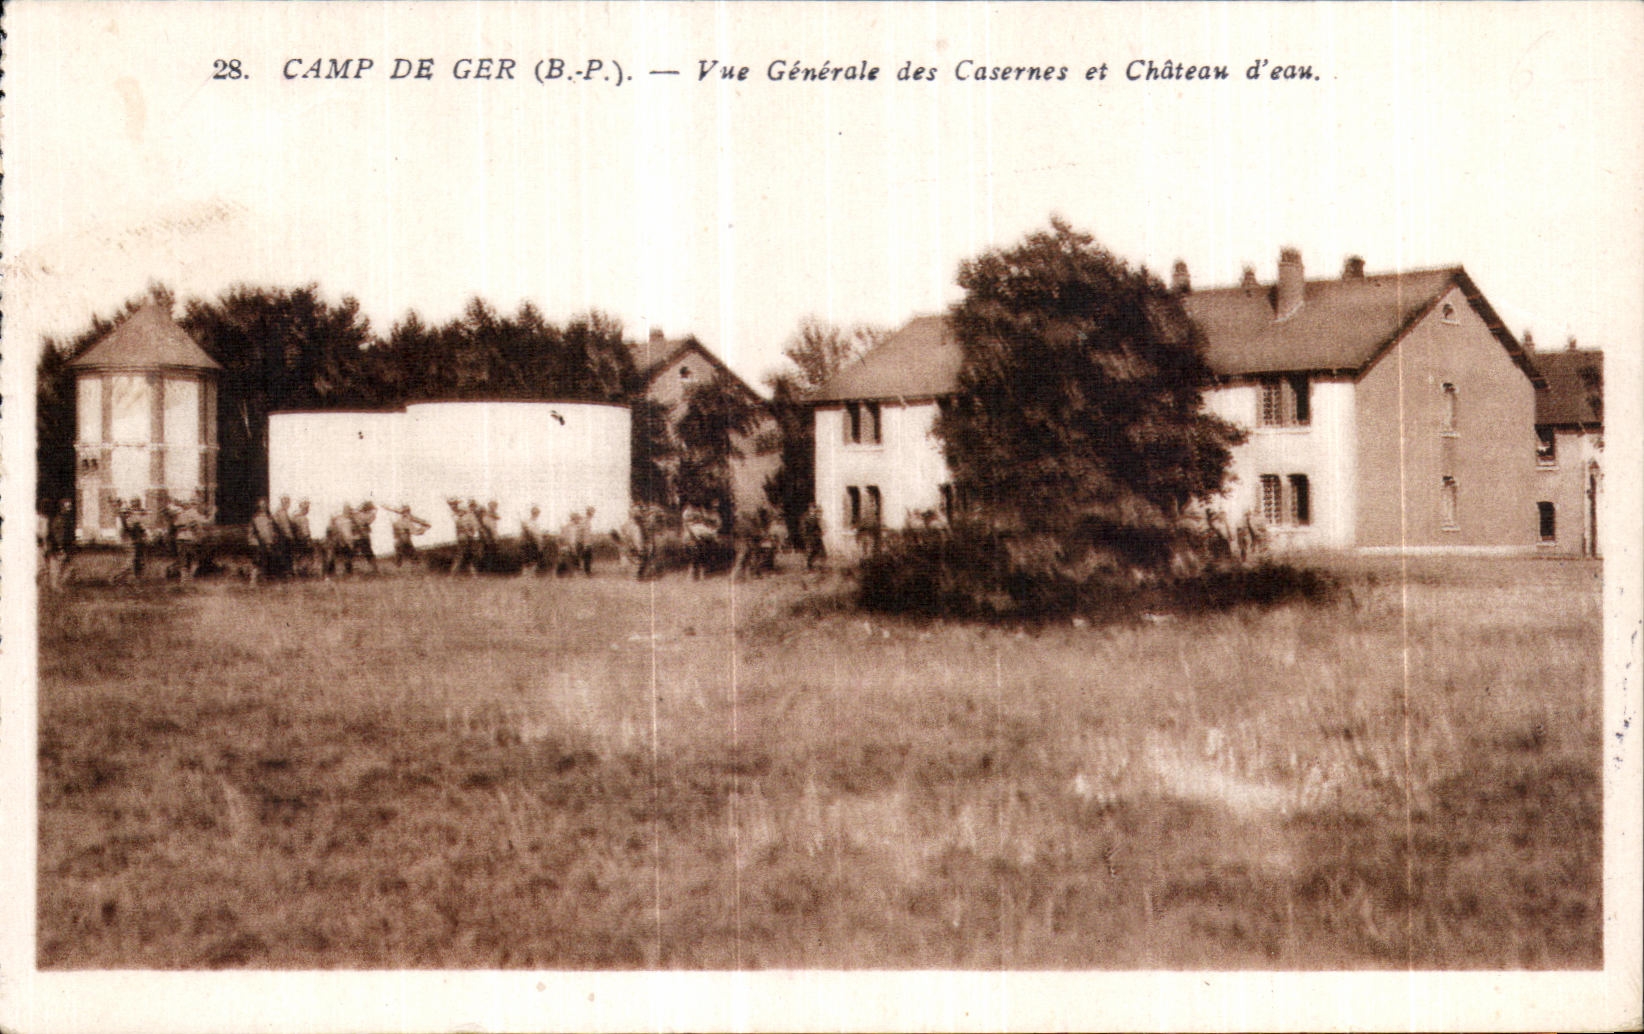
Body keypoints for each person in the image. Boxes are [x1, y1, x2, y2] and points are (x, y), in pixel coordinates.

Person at [44, 499, 75, 590]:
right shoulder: (59, 520)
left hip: (62, 547)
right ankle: (55, 586)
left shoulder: (65, 520)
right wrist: (60, 547)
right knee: (57, 568)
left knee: (66, 567)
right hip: (58, 547)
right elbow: (58, 535)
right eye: (67, 507)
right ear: (62, 507)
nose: (69, 509)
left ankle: (56, 586)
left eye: (70, 507)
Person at [118, 496, 150, 581]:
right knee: (133, 557)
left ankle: (138, 576)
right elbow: (128, 526)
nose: (135, 504)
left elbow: (143, 525)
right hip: (132, 537)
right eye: (133, 502)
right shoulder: (128, 513)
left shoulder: (141, 513)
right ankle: (122, 575)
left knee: (140, 557)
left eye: (136, 502)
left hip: (139, 537)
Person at [249, 498, 281, 582]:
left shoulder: (269, 518)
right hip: (259, 543)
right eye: (261, 505)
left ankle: (265, 578)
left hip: (269, 543)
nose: (263, 507)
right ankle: (253, 580)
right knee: (257, 561)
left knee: (268, 560)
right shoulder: (256, 518)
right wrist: (259, 542)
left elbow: (273, 530)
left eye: (265, 505)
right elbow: (255, 533)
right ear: (258, 506)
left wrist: (274, 536)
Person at [450, 498, 481, 577]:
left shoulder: (469, 515)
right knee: (462, 555)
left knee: (468, 555)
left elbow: (476, 526)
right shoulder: (460, 515)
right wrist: (470, 532)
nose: (472, 507)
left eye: (473, 506)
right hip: (464, 537)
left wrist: (472, 532)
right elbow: (462, 526)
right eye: (471, 506)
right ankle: (453, 574)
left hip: (468, 537)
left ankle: (472, 574)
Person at [519, 505, 549, 576]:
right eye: (535, 513)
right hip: (529, 542)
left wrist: (542, 536)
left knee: (534, 558)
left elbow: (537, 533)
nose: (536, 514)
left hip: (535, 542)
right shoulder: (528, 521)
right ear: (532, 513)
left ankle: (531, 574)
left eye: (537, 513)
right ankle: (526, 574)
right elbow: (530, 532)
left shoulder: (536, 522)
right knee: (528, 558)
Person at [353, 501, 380, 573]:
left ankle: (350, 571)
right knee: (369, 553)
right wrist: (375, 511)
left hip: (357, 536)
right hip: (363, 537)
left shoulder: (357, 514)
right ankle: (374, 569)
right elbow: (369, 519)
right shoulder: (367, 515)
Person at [801, 503, 826, 572]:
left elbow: (817, 527)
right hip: (809, 537)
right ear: (809, 510)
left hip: (816, 537)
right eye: (811, 509)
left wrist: (820, 532)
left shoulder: (815, 518)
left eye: (813, 510)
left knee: (820, 551)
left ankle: (819, 566)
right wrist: (806, 536)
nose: (813, 511)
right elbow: (804, 528)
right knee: (810, 551)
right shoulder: (806, 518)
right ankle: (807, 566)